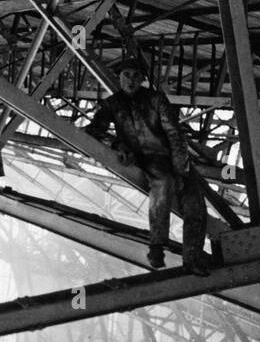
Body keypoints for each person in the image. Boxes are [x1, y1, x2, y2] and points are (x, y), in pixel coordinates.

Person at [85, 61, 210, 275]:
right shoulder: (112, 105)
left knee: (195, 203)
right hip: (146, 159)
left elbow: (175, 134)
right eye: (126, 74)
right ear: (119, 77)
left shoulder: (156, 99)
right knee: (163, 183)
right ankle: (157, 246)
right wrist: (117, 144)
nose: (131, 80)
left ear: (143, 79)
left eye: (136, 75)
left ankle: (192, 258)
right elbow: (95, 131)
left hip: (168, 156)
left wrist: (181, 168)